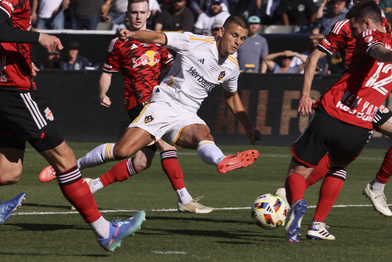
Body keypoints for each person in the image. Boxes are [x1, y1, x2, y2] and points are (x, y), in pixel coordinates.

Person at [0, 0, 144, 250]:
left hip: (9, 82)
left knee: (8, 171)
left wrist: (22, 55)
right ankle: (105, 231)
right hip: (14, 91)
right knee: (65, 159)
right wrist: (39, 38)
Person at [40, 0, 213, 213]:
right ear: (127, 14)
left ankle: (89, 183)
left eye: (142, 12)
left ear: (149, 14)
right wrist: (103, 93)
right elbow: (107, 72)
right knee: (166, 145)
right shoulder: (118, 43)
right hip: (139, 103)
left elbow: (174, 69)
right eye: (134, 12)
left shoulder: (158, 41)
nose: (138, 16)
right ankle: (184, 199)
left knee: (140, 162)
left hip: (161, 102)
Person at [52, 16, 260, 192]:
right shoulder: (193, 41)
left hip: (187, 114)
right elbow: (159, 37)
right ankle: (73, 166)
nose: (237, 42)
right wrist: (132, 35)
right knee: (122, 152)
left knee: (203, 135)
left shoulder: (232, 67)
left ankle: (223, 160)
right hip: (163, 104)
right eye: (234, 35)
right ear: (222, 31)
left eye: (242, 38)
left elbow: (231, 96)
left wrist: (248, 126)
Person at [286, 0, 392, 243]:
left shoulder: (370, 37)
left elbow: (376, 49)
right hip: (361, 125)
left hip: (332, 111)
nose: (355, 32)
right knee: (338, 168)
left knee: (297, 170)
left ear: (366, 21)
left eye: (356, 26)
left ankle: (297, 203)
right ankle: (317, 224)